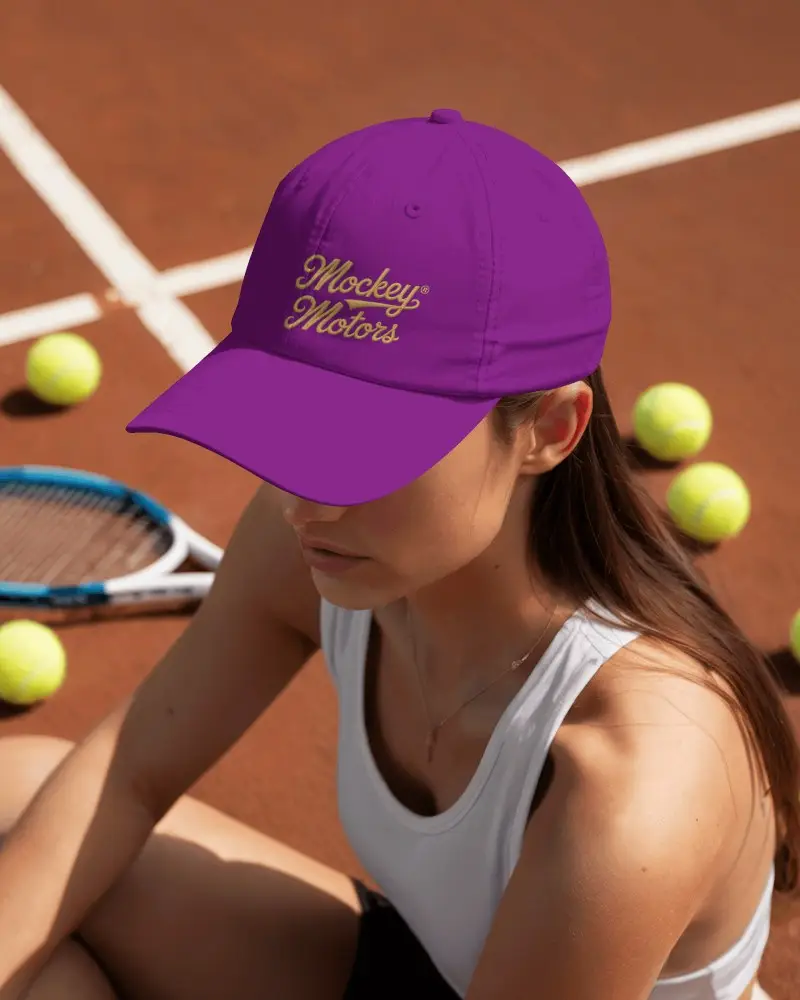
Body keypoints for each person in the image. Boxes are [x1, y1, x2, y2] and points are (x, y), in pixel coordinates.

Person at [0, 109, 795, 1000]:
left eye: (366, 446)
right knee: (16, 796)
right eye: (289, 417)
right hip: (441, 972)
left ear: (549, 429)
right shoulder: (312, 535)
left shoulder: (637, 775)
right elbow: (130, 771)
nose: (307, 494)